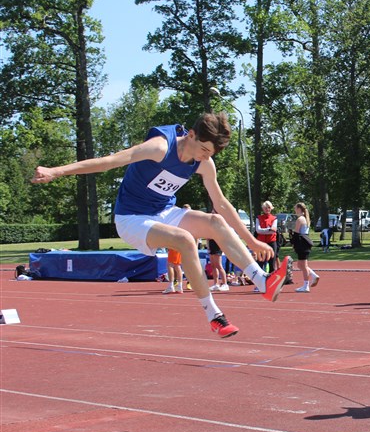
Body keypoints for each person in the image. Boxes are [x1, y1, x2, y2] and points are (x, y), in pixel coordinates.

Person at [31, 113, 289, 338]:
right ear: (190, 135)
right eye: (204, 150)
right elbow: (111, 161)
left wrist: (252, 240)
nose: (205, 157)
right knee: (185, 240)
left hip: (163, 211)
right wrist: (58, 171)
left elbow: (221, 203)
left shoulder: (204, 163)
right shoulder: (159, 147)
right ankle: (214, 314)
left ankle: (262, 281)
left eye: (210, 154)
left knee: (216, 221)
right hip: (131, 218)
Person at [291, 202, 319, 292]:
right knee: (300, 265)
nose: (294, 210)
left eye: (295, 208)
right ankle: (314, 275)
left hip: (302, 243)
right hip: (305, 242)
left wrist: (293, 243)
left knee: (303, 265)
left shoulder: (300, 219)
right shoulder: (305, 218)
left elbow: (296, 233)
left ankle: (306, 285)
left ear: (299, 208)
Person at [255, 201, 279, 273]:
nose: (267, 209)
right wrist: (269, 229)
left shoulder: (274, 218)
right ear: (263, 209)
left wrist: (265, 230)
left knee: (272, 263)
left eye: (269, 207)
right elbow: (258, 230)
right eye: (265, 208)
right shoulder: (258, 218)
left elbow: (273, 230)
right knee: (260, 262)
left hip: (271, 242)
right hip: (261, 243)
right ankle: (259, 280)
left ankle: (271, 280)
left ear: (271, 208)